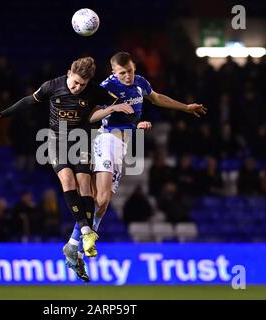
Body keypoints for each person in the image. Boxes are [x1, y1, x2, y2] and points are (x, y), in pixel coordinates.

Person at [0, 56, 133, 281]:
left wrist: (121, 109)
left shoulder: (94, 92)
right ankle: (85, 230)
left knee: (86, 186)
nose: (77, 88)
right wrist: (1, 113)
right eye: (74, 83)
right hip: (56, 141)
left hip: (82, 140)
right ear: (68, 73)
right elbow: (27, 101)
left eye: (82, 85)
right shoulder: (52, 86)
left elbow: (119, 100)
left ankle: (83, 235)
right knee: (67, 180)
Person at [66, 52, 206, 278]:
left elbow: (158, 97)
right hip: (106, 140)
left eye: (130, 70)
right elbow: (90, 116)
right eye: (123, 73)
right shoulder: (106, 87)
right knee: (100, 198)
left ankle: (75, 245)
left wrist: (185, 107)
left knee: (101, 202)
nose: (128, 76)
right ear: (114, 72)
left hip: (122, 145)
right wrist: (113, 109)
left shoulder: (141, 82)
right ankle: (77, 246)